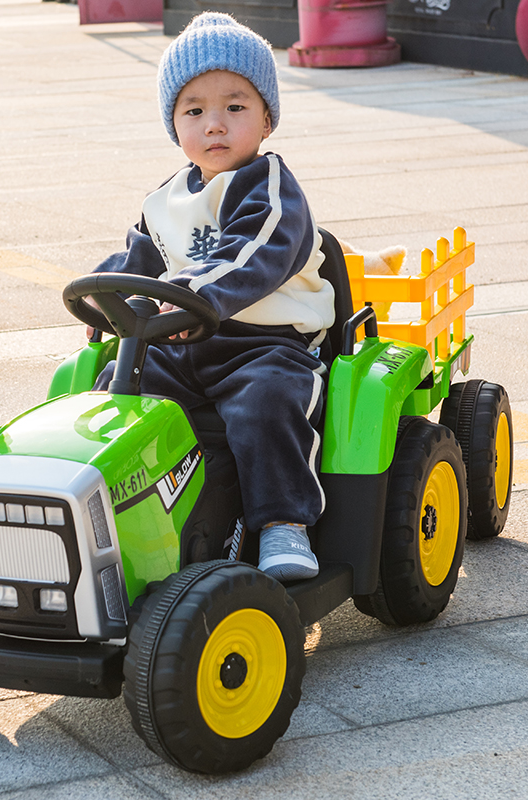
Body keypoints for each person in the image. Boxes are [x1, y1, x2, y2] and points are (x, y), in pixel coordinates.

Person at [88, 12, 335, 581]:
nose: (215, 124)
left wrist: (189, 293)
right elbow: (137, 264)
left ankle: (282, 526)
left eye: (235, 106)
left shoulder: (270, 187)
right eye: (194, 110)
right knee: (114, 397)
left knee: (265, 404)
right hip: (180, 347)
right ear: (174, 126)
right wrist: (105, 300)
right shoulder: (164, 200)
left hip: (265, 344)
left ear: (267, 120)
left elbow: (255, 255)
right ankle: (114, 525)